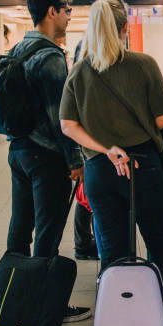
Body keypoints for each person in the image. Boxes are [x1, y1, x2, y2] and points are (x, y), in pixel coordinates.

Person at [59, 0, 163, 326]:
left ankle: (119, 323)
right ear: (126, 28)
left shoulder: (79, 71)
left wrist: (106, 148)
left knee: (112, 249)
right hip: (144, 167)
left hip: (101, 169)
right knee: (159, 243)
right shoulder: (143, 64)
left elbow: (67, 124)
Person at [6, 0, 91, 323]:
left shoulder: (18, 50)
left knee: (20, 229)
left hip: (19, 151)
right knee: (48, 232)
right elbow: (62, 119)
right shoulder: (50, 56)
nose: (70, 17)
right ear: (52, 12)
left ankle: (13, 300)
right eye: (67, 10)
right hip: (46, 157)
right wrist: (75, 161)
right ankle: (44, 308)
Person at [70, 39, 99, 260]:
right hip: (90, 148)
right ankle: (87, 244)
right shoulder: (86, 76)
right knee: (89, 199)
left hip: (82, 146)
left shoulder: (74, 77)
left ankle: (83, 243)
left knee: (84, 196)